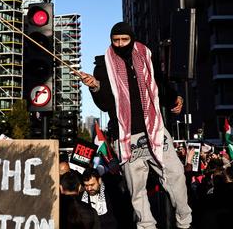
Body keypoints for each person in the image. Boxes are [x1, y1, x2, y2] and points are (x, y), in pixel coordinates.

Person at [78, 22, 192, 229]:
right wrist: (95, 86)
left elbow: (159, 83)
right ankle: (146, 226)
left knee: (176, 175)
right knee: (136, 188)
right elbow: (105, 104)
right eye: (115, 41)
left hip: (155, 130)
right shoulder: (104, 65)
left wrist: (175, 99)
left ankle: (185, 223)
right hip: (126, 135)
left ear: (132, 39)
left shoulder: (146, 56)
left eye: (124, 40)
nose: (120, 44)